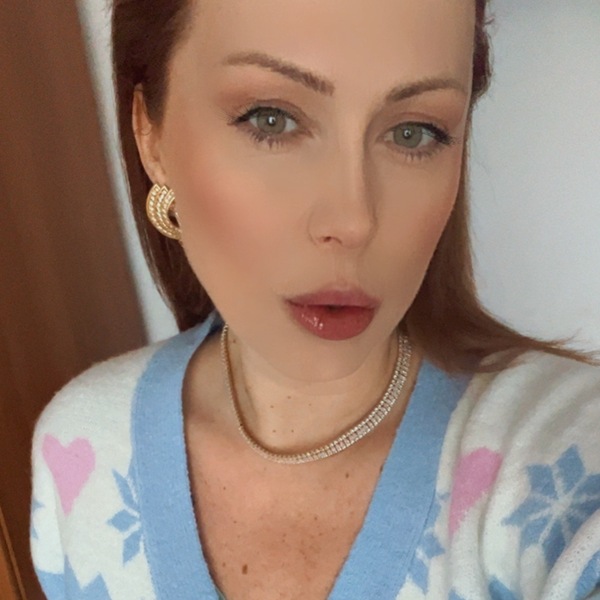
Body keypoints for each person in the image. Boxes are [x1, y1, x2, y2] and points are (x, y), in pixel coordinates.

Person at [30, 0, 600, 598]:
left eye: (414, 132)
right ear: (151, 137)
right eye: (272, 119)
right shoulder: (84, 452)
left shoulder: (566, 470)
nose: (353, 221)